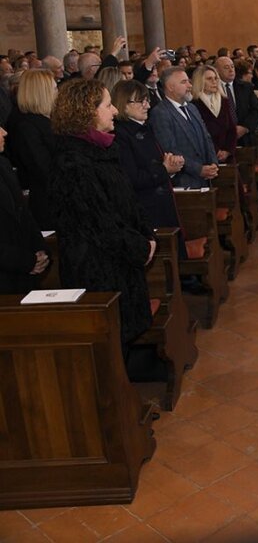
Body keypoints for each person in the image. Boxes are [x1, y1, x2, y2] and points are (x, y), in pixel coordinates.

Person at [49, 79, 162, 379]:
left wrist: (146, 234)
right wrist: (140, 246)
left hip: (119, 262)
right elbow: (98, 223)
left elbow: (127, 201)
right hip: (99, 268)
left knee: (122, 344)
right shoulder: (73, 162)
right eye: (108, 105)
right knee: (109, 348)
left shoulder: (100, 150)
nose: (114, 111)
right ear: (86, 111)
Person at [111, 80, 186, 258]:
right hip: (146, 208)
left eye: (147, 100)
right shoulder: (120, 136)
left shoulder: (144, 128)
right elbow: (132, 178)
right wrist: (164, 169)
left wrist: (171, 167)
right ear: (123, 104)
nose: (147, 105)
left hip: (161, 202)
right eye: (141, 101)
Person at [149, 66, 219, 188]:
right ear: (170, 87)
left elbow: (206, 137)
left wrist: (213, 163)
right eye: (184, 82)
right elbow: (169, 149)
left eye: (189, 81)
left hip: (206, 179)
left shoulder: (192, 108)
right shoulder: (160, 113)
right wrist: (198, 169)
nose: (190, 86)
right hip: (184, 182)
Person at [4, 69, 57, 229]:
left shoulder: (47, 120)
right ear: (42, 92)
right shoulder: (27, 127)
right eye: (54, 88)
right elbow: (42, 169)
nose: (58, 92)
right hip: (48, 203)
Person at [0, 125, 49, 294]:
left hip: (23, 276)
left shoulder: (3, 164)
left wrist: (40, 249)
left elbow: (23, 213)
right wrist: (25, 261)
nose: (5, 132)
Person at [191, 65, 238, 164]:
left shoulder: (224, 101)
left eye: (216, 78)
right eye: (209, 79)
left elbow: (232, 128)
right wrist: (216, 151)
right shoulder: (194, 105)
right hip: (206, 157)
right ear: (200, 81)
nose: (214, 81)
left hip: (227, 155)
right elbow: (199, 134)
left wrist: (228, 151)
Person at [214, 56, 258, 147]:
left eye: (232, 66)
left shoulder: (246, 87)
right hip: (222, 139)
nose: (231, 70)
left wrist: (245, 127)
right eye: (226, 67)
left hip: (245, 138)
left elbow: (256, 109)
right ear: (217, 71)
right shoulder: (213, 89)